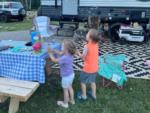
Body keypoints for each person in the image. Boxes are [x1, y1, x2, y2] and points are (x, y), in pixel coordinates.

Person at [48, 39, 76, 108]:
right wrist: (54, 51)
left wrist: (50, 54)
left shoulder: (64, 57)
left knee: (65, 90)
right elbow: (60, 53)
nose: (62, 46)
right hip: (71, 74)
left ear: (66, 49)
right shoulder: (70, 54)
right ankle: (72, 100)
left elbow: (54, 60)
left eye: (63, 46)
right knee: (70, 87)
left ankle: (65, 103)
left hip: (66, 77)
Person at [77, 29, 100, 101]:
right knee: (93, 81)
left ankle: (84, 96)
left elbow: (82, 57)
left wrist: (77, 52)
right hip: (95, 68)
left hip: (87, 69)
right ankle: (94, 95)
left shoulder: (86, 46)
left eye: (87, 34)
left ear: (90, 38)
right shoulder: (96, 44)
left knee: (83, 82)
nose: (86, 34)